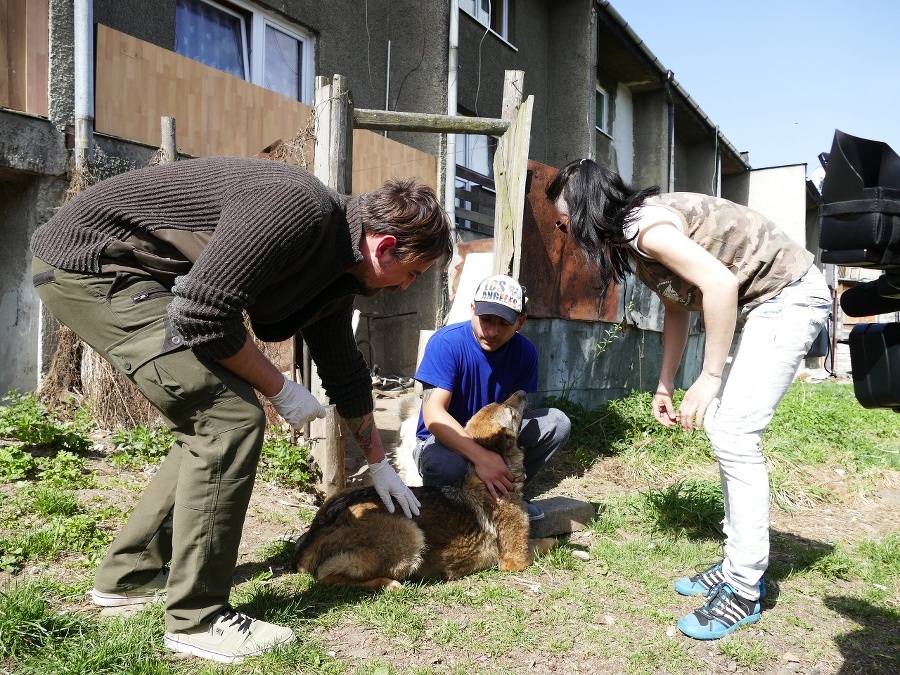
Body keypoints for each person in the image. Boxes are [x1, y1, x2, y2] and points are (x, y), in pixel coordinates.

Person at [30, 156, 451, 664]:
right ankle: (198, 619)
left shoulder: (337, 269)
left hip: (141, 275)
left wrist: (379, 462)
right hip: (92, 265)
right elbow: (204, 312)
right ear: (384, 246)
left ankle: (129, 577)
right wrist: (280, 389)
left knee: (215, 421)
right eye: (412, 273)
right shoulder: (298, 208)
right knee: (230, 419)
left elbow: (345, 372)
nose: (407, 287)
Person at [546, 159, 830, 640]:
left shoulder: (644, 229)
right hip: (764, 303)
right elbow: (677, 307)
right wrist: (665, 383)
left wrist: (711, 375)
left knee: (735, 432)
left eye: (564, 218)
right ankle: (738, 564)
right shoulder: (634, 240)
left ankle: (744, 585)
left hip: (788, 296)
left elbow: (720, 285)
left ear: (584, 209)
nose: (565, 228)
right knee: (725, 429)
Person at [411, 274, 571, 520]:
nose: (492, 331)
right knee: (447, 466)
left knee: (557, 423)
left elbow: (513, 415)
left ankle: (508, 495)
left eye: (503, 323)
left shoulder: (526, 353)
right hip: (444, 439)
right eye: (485, 319)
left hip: (493, 437)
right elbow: (434, 416)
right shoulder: (446, 343)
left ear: (520, 322)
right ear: (472, 309)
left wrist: (503, 461)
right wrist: (481, 458)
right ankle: (444, 513)